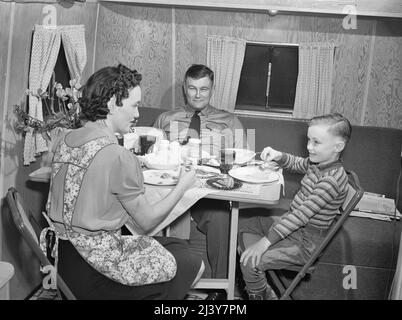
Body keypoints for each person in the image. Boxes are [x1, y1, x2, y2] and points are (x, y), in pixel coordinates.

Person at [42, 64, 204, 300]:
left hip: (64, 263)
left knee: (179, 247)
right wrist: (183, 185)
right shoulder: (118, 156)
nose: (138, 114)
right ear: (111, 104)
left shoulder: (63, 138)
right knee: (192, 264)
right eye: (134, 105)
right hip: (94, 273)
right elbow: (147, 222)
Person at [153, 64, 247, 300]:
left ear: (212, 89)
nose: (197, 94)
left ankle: (220, 290)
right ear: (185, 88)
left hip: (208, 192)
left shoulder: (230, 121)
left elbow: (242, 162)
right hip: (171, 189)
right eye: (192, 88)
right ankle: (154, 286)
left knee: (221, 217)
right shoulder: (166, 118)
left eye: (203, 89)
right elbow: (151, 157)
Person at [238, 113, 352, 300]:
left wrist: (264, 242)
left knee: (250, 262)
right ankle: (261, 285)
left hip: (306, 243)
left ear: (338, 147)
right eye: (308, 140)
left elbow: (300, 215)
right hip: (292, 227)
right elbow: (297, 163)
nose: (309, 147)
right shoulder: (319, 162)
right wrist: (278, 155)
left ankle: (261, 295)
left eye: (316, 142)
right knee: (243, 225)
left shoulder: (331, 180)